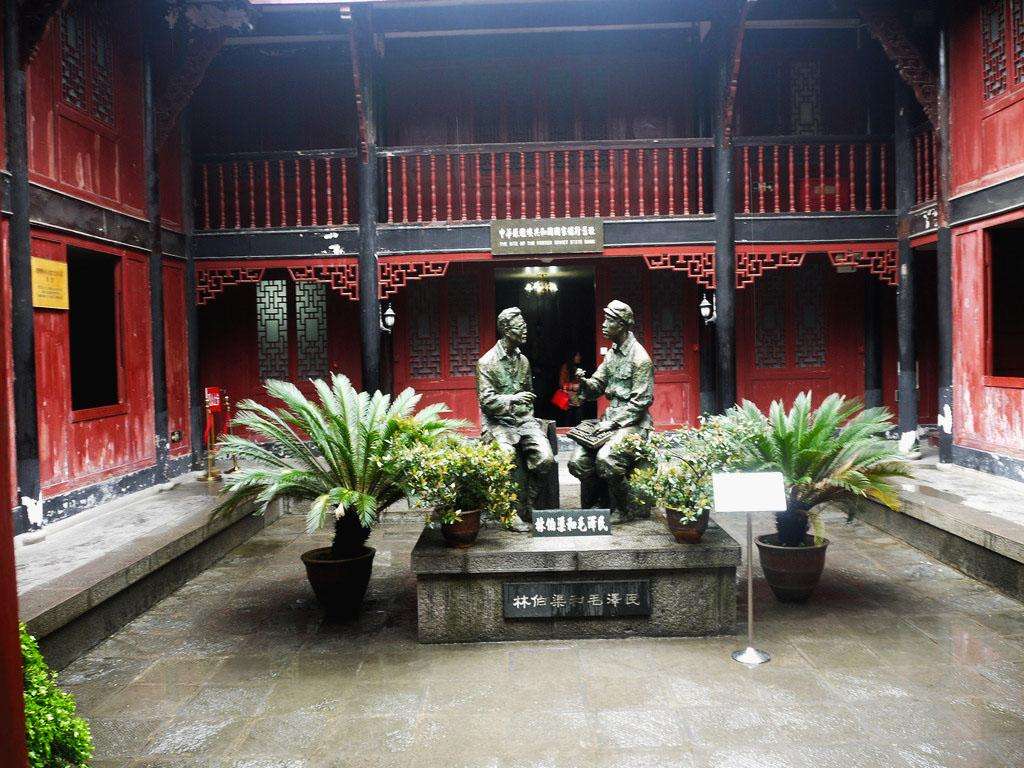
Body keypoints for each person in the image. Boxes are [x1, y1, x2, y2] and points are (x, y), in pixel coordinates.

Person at [567, 300, 654, 521]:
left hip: (634, 423)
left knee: (607, 459)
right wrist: (584, 382)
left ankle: (625, 508)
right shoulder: (612, 354)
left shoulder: (640, 358)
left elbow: (641, 402)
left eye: (609, 321)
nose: (604, 325)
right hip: (609, 419)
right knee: (577, 462)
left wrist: (613, 423)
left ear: (622, 324)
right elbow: (596, 387)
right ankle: (600, 502)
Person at [477, 307, 557, 530]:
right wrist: (512, 399)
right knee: (506, 457)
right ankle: (508, 512)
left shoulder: (524, 361)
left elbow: (528, 394)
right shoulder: (487, 362)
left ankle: (529, 505)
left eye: (525, 326)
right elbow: (487, 401)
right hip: (497, 423)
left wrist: (526, 414)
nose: (524, 330)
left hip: (524, 421)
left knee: (545, 458)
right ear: (505, 329)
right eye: (520, 327)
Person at [556, 351, 584, 427]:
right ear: (572, 357)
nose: (579, 357)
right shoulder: (566, 367)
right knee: (567, 419)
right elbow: (561, 384)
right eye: (577, 355)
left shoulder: (578, 368)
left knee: (578, 418)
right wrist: (573, 386)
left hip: (577, 399)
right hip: (567, 399)